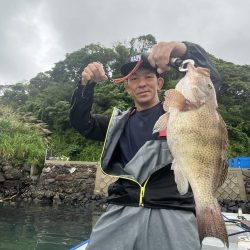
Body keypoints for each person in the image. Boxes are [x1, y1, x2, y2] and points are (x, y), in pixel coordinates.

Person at [69, 41, 221, 250]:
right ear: (127, 87)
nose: (142, 84)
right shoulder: (116, 124)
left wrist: (181, 49)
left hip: (173, 209)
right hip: (122, 207)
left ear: (159, 83)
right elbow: (80, 122)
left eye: (148, 77)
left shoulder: (178, 112)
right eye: (134, 79)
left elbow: (208, 81)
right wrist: (85, 86)